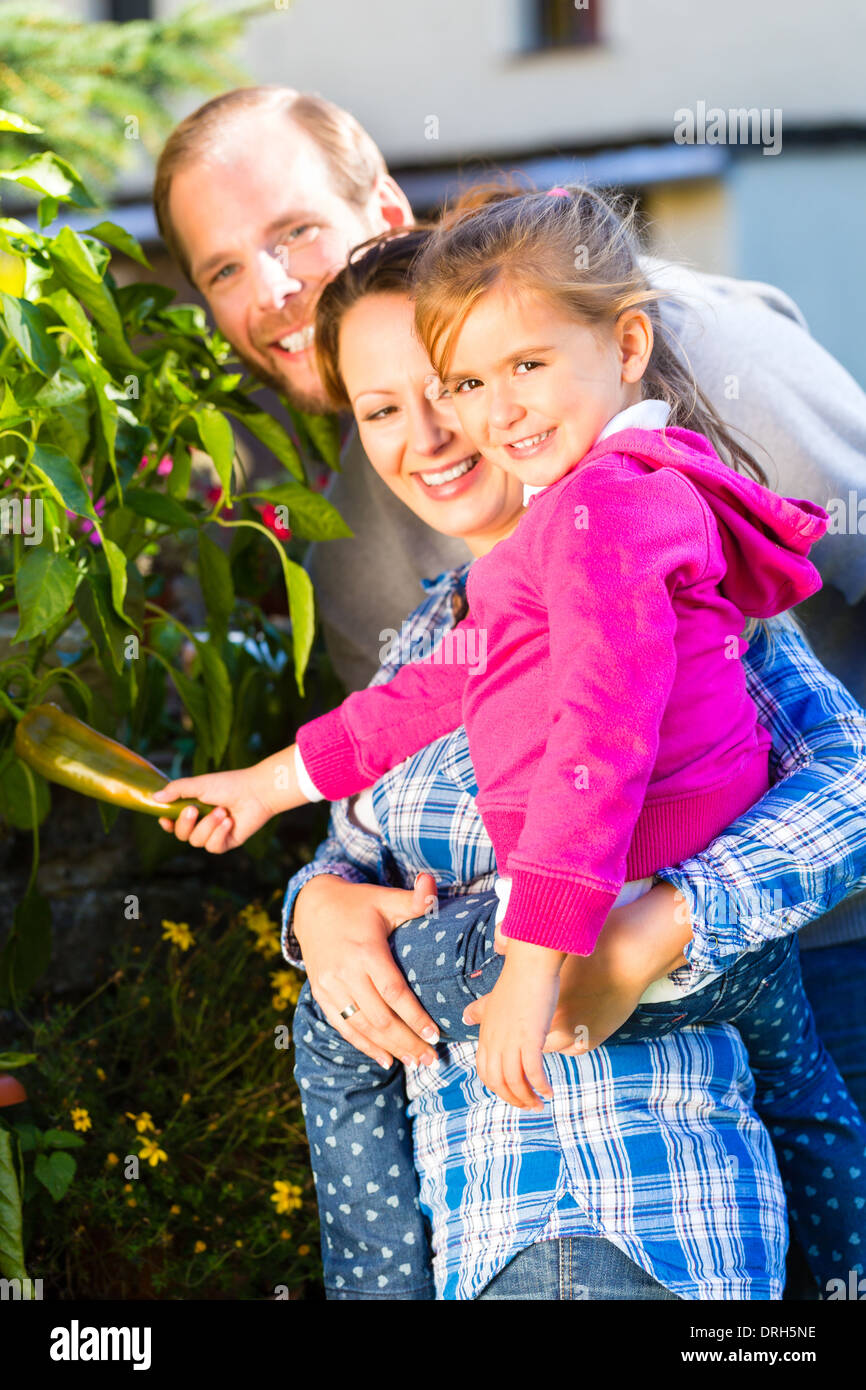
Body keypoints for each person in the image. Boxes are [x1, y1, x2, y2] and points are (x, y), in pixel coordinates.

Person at [154, 225, 866, 1301]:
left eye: (467, 382)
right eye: (386, 408)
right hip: (476, 1211)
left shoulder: (643, 543)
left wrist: (653, 928)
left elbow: (833, 789)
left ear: (605, 351)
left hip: (649, 1190)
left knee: (795, 1067)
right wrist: (317, 904)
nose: (439, 432)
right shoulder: (435, 635)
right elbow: (363, 818)